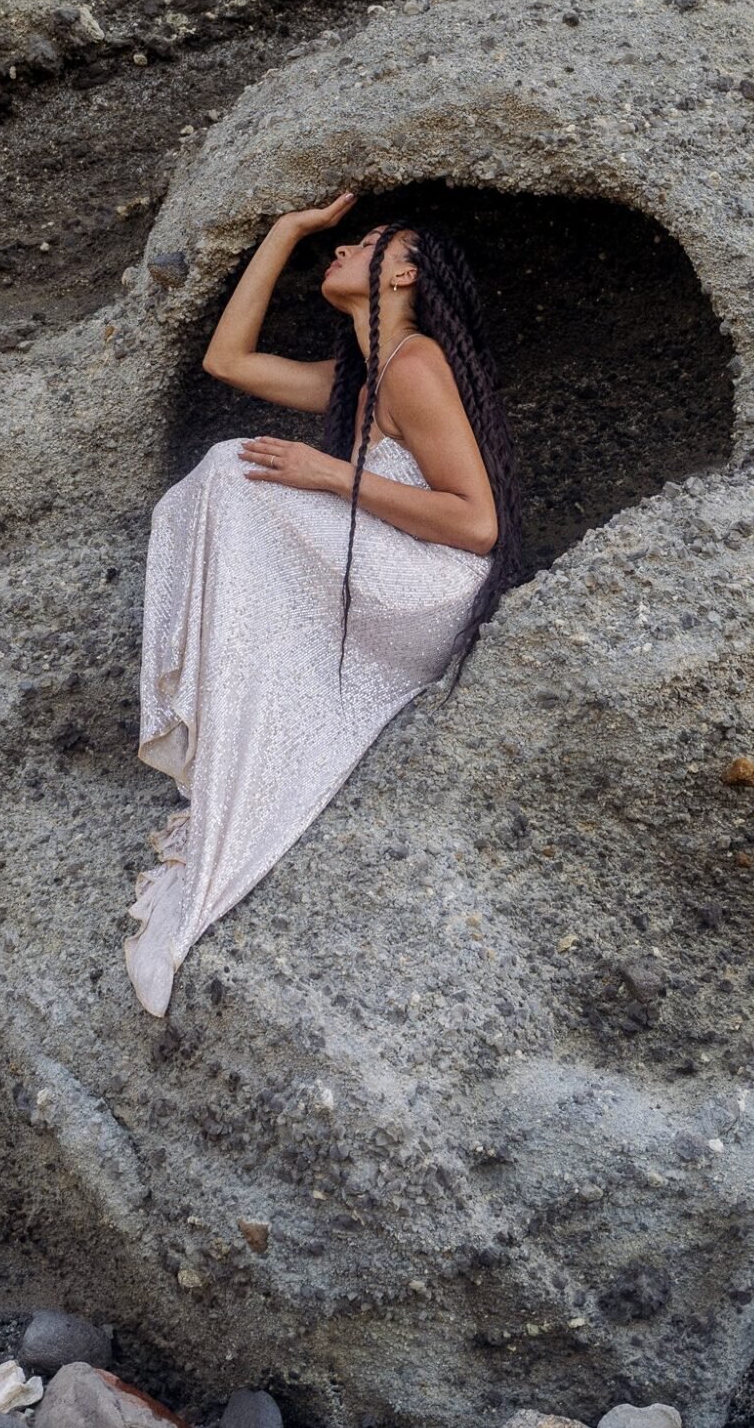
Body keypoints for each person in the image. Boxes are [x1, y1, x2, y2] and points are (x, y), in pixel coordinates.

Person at [123, 189, 524, 1016]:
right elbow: (227, 363)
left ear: (404, 272)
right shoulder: (363, 374)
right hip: (383, 581)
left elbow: (476, 524)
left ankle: (216, 720)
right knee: (229, 469)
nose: (338, 251)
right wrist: (278, 233)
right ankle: (230, 713)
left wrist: (328, 473)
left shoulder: (415, 363)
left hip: (426, 588)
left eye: (367, 242)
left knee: (240, 469)